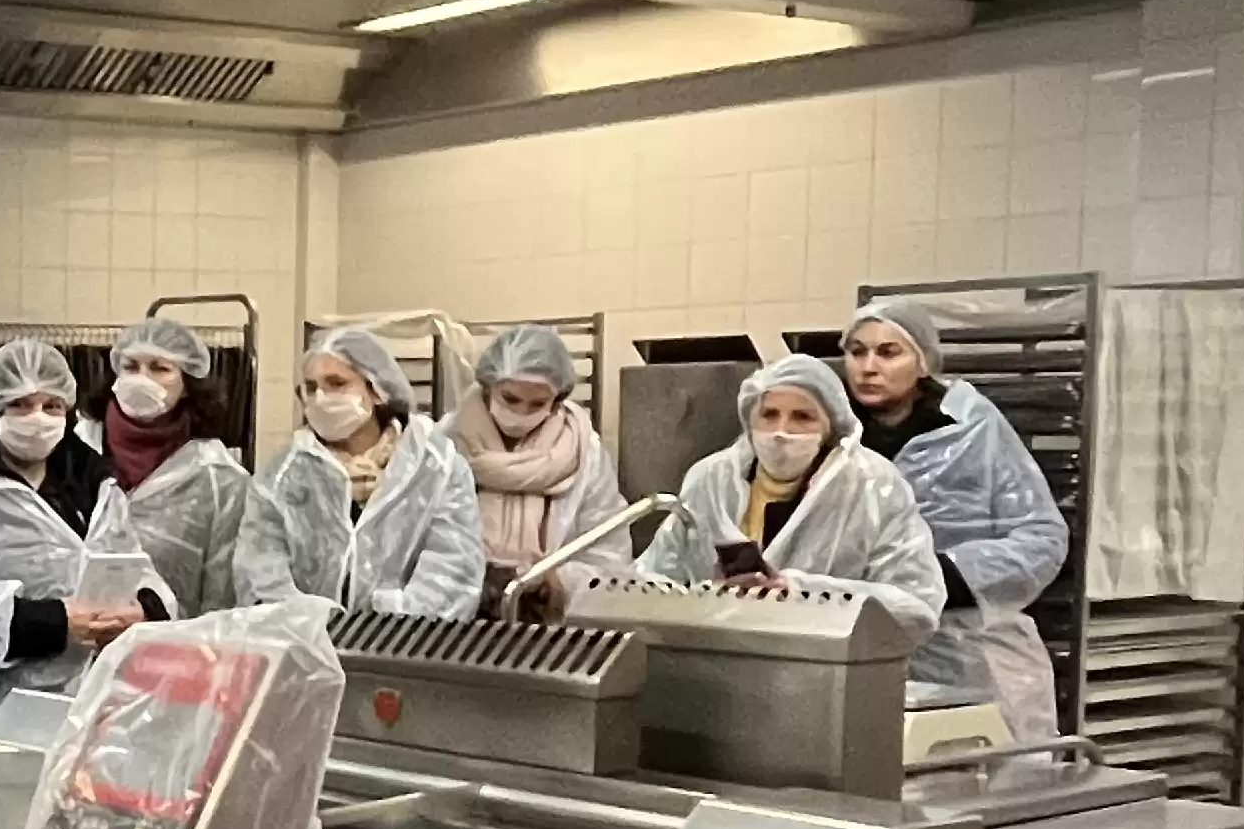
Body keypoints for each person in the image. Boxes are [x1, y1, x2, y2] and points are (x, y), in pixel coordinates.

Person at [0, 337, 169, 748]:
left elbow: (136, 565)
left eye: (52, 406)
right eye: (20, 405)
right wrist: (52, 622)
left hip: (85, 718)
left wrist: (144, 610)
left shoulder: (93, 485)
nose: (38, 418)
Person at [839, 301, 1070, 737]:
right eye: (856, 351)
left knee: (984, 787)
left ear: (922, 360)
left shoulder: (971, 427)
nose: (868, 367)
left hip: (974, 661)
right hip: (864, 656)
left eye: (888, 353)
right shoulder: (834, 438)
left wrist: (945, 575)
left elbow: (1043, 537)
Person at [635, 350, 945, 638]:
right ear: (750, 418)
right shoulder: (712, 479)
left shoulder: (872, 485)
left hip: (828, 670)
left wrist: (801, 593)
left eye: (802, 417)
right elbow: (653, 580)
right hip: (715, 661)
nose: (782, 431)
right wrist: (706, 596)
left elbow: (916, 607)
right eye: (769, 414)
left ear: (830, 426)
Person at [236, 324, 485, 619]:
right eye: (312, 388)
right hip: (304, 646)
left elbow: (452, 568)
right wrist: (309, 620)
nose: (321, 398)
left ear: (378, 390)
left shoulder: (435, 467)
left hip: (405, 648)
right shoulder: (283, 474)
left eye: (337, 383)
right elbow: (258, 567)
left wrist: (390, 620)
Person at [451, 323, 627, 600]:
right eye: (509, 398)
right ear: (487, 387)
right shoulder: (447, 444)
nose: (520, 412)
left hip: (551, 619)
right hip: (455, 610)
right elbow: (416, 535)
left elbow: (607, 550)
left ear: (557, 401)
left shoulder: (582, 451)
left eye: (537, 404)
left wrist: (553, 582)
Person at [96, 313, 255, 615]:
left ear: (187, 384)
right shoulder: (75, 452)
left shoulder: (219, 479)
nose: (142, 379)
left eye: (160, 368)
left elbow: (222, 599)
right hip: (71, 647)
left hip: (170, 649)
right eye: (131, 367)